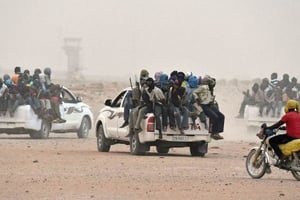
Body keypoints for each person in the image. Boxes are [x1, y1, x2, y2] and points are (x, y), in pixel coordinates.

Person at [264, 99, 300, 166]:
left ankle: (281, 157)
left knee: (272, 141)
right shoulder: (299, 114)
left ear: (288, 107)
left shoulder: (287, 115)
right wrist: (284, 128)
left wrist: (268, 128)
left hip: (291, 137)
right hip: (298, 137)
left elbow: (277, 124)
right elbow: (295, 126)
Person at [193, 75, 225, 140]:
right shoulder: (203, 87)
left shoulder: (210, 89)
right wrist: (197, 99)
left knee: (222, 116)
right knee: (215, 117)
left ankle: (218, 132)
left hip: (210, 105)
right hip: (204, 105)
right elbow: (194, 92)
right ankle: (213, 133)